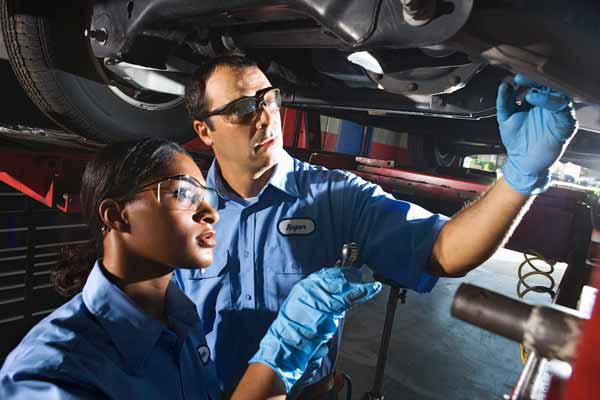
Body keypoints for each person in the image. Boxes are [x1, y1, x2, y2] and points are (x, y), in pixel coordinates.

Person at [180, 55, 578, 397]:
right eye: (244, 109)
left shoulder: (336, 197)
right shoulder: (182, 211)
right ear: (204, 131)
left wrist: (519, 177)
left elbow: (444, 251)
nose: (265, 117)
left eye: (269, 99)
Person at [0, 138, 382, 399]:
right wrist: (283, 348)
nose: (211, 212)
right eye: (184, 193)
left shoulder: (183, 323)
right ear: (116, 216)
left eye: (207, 196)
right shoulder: (53, 371)